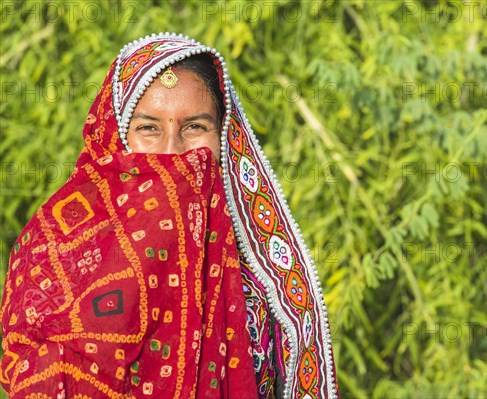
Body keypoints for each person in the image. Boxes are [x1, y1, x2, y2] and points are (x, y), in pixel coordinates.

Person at [0, 33, 338, 399]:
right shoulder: (54, 255)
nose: (173, 150)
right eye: (149, 128)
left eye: (195, 127)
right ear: (117, 137)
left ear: (224, 137)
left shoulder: (260, 286)